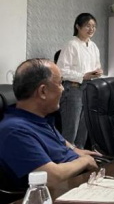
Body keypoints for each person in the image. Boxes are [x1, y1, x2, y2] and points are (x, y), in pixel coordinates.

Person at [0, 59, 99, 189]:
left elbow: (59, 141)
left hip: (78, 180)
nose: (63, 89)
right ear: (43, 91)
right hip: (60, 192)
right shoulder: (14, 131)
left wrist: (75, 150)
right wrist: (84, 161)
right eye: (60, 83)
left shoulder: (39, 118)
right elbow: (51, 177)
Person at [57, 13, 103, 148]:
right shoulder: (71, 44)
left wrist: (97, 72)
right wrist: (83, 76)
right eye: (87, 26)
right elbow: (61, 71)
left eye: (94, 26)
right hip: (73, 89)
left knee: (84, 131)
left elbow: (97, 65)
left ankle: (80, 157)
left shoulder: (93, 46)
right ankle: (66, 158)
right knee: (71, 131)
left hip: (89, 89)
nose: (91, 29)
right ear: (78, 26)